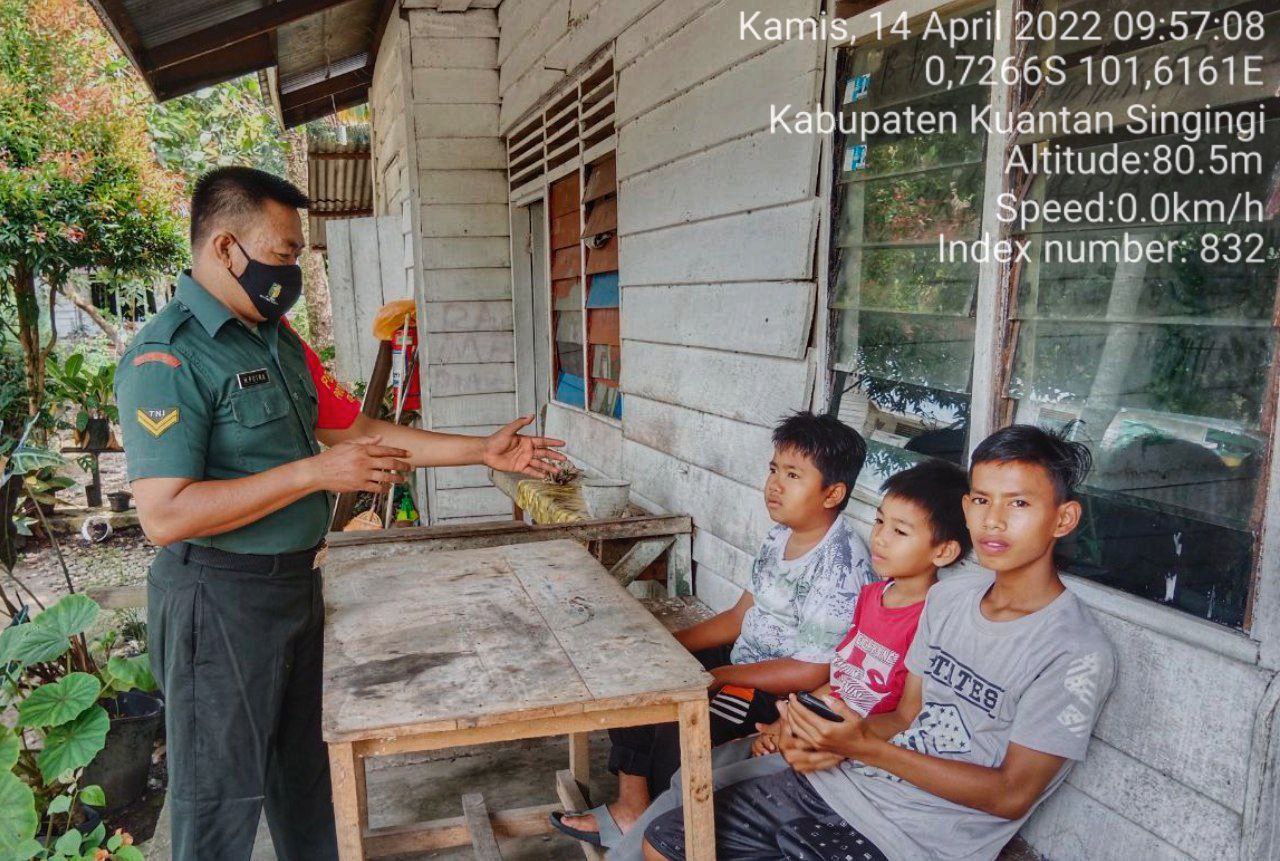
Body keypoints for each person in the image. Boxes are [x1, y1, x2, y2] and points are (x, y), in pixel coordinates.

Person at [114, 166, 566, 861]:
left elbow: (355, 433)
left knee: (305, 780)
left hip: (295, 589)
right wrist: (314, 474)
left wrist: (483, 451)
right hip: (217, 599)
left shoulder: (275, 338)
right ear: (227, 247)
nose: (292, 268)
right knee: (218, 800)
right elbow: (165, 514)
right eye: (286, 251)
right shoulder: (167, 354)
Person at [641, 425, 1118, 861]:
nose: (992, 521)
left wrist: (863, 747)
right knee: (667, 840)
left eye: (1018, 504)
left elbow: (1012, 793)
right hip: (843, 785)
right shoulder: (949, 599)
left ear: (1063, 518)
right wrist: (827, 740)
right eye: (980, 500)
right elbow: (905, 716)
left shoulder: (1074, 651)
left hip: (912, 836)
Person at [608, 458, 970, 860]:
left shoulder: (932, 621)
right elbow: (840, 675)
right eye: (881, 522)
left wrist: (807, 734)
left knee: (703, 785)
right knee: (689, 776)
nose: (881, 539)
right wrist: (783, 723)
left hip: (834, 751)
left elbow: (905, 718)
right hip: (806, 724)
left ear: (945, 550)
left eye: (900, 531)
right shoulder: (873, 597)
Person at [553, 411, 873, 849]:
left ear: (832, 492)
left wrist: (717, 678)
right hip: (744, 664)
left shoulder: (839, 565)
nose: (775, 484)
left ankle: (667, 833)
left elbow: (811, 672)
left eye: (793, 475)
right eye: (774, 470)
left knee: (683, 723)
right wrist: (665, 645)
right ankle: (633, 808)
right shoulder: (782, 534)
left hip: (780, 694)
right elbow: (741, 616)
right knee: (642, 670)